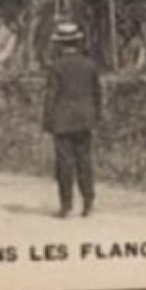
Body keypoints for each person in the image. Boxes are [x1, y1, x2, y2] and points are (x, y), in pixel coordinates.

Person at [42, 20, 102, 218]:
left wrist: (47, 121)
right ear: (77, 42)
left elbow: (51, 95)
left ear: (59, 44)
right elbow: (97, 93)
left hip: (63, 120)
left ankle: (66, 205)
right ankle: (88, 202)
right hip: (85, 118)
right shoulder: (89, 65)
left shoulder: (56, 67)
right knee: (85, 160)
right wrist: (96, 116)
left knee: (64, 163)